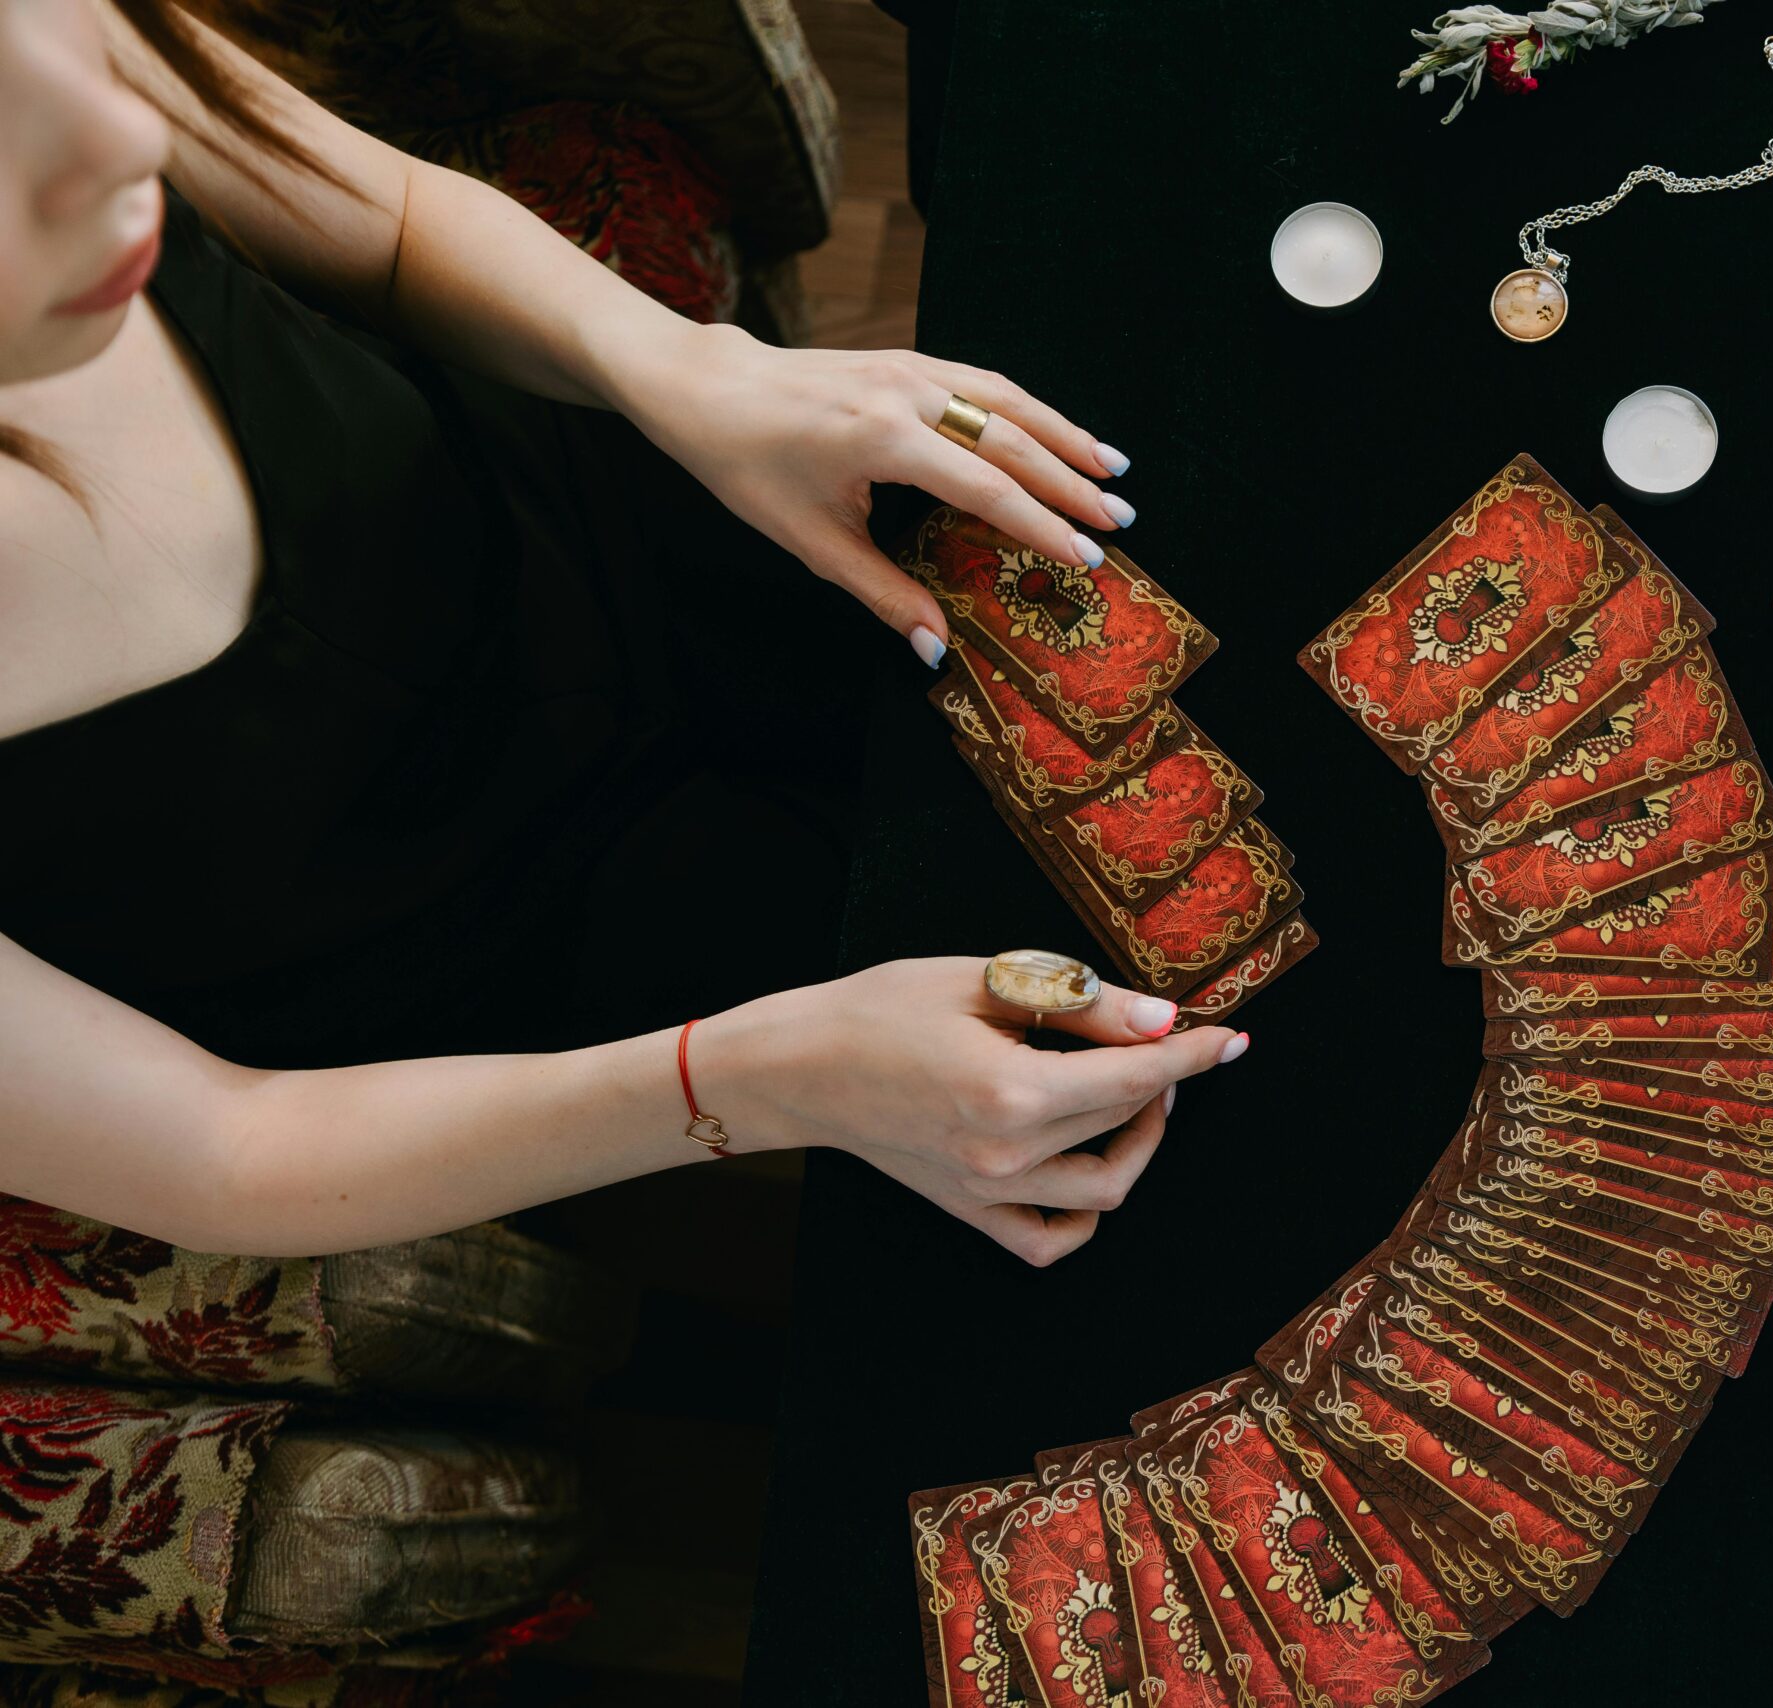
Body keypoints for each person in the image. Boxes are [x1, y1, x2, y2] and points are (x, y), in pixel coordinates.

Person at [0, 0, 1245, 1268]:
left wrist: (685, 365)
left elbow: (387, 226)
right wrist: (757, 1080)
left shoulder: (57, 72)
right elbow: (231, 1154)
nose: (115, 127)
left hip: (616, 514)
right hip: (535, 973)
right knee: (1189, 1115)